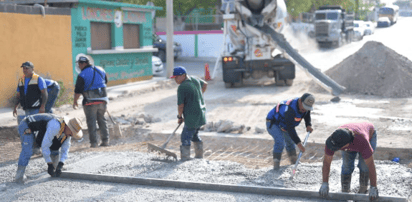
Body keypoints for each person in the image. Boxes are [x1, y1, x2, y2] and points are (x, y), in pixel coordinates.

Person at [14, 113, 83, 183]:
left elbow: (65, 148)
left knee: (57, 142)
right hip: (27, 125)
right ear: (68, 126)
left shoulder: (66, 132)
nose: (71, 135)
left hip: (40, 130)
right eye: (72, 132)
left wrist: (61, 164)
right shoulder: (55, 126)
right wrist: (49, 164)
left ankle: (55, 167)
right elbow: (45, 146)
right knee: (28, 150)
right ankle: (19, 176)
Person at [319, 122, 379, 201]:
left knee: (364, 165)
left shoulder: (362, 141)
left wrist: (373, 187)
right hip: (352, 137)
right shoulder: (333, 140)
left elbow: (370, 165)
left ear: (346, 145)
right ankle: (345, 191)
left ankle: (363, 191)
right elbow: (327, 162)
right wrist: (324, 183)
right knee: (346, 166)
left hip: (368, 134)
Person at [265, 93, 315, 170]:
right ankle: (276, 166)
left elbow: (307, 114)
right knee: (280, 141)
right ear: (299, 101)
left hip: (284, 124)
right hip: (273, 123)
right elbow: (290, 128)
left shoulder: (305, 108)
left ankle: (294, 162)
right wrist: (299, 143)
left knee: (290, 142)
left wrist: (308, 124)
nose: (304, 110)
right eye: (304, 107)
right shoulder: (290, 109)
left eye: (307, 108)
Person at [170, 66, 207, 161]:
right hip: (201, 114)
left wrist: (180, 116)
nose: (175, 79)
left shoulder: (182, 87)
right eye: (174, 77)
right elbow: (205, 84)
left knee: (185, 136)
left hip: (192, 116)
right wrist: (197, 95)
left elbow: (181, 105)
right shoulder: (194, 79)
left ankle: (185, 158)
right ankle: (199, 156)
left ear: (183, 75)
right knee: (194, 134)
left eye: (177, 77)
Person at [73, 56, 110, 148]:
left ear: (83, 64)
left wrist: (75, 102)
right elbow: (105, 81)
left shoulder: (82, 75)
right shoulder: (101, 69)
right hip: (103, 100)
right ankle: (105, 141)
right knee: (102, 120)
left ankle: (94, 143)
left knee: (91, 121)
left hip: (90, 102)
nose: (79, 66)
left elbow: (77, 91)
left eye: (79, 64)